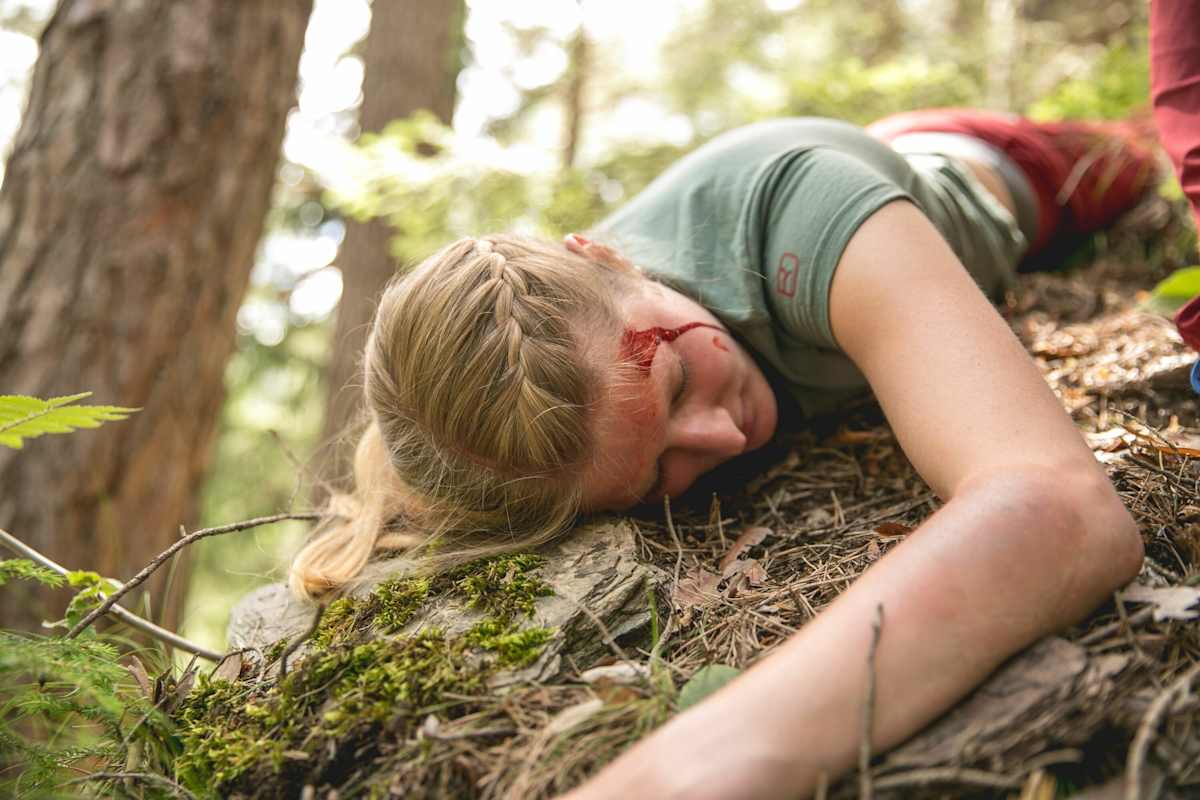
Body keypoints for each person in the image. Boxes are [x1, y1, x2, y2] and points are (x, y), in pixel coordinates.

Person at [290, 105, 1158, 797]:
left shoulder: (808, 217)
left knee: (1142, 157)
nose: (725, 437)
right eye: (657, 476)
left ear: (608, 257)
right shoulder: (518, 400)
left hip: (995, 163)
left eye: (672, 384)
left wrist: (675, 774)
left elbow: (1061, 507)